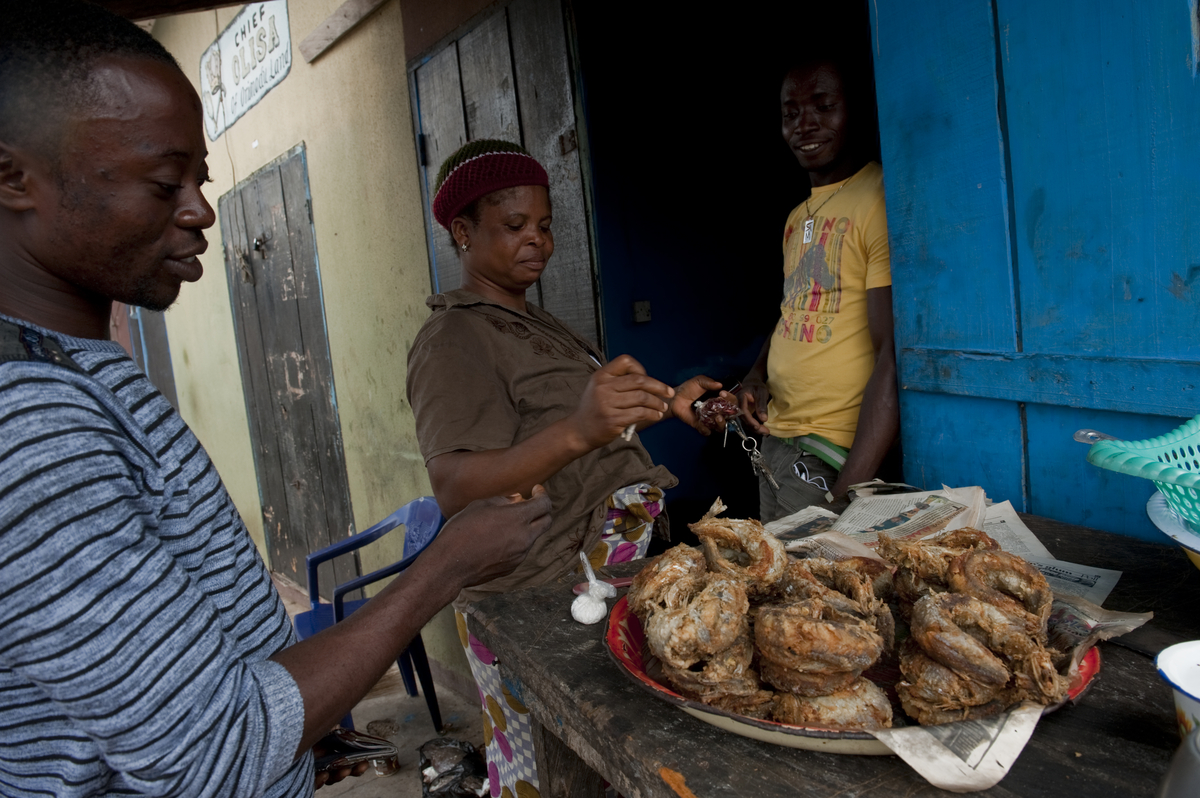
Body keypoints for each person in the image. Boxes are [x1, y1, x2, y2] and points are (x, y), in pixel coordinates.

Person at [0, 3, 551, 796]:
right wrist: (443, 566)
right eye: (164, 183)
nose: (199, 211)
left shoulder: (81, 366)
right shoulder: (28, 431)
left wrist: (306, 731)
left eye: (200, 179)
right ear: (13, 177)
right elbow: (218, 750)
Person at [406, 139, 722, 796]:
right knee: (537, 778)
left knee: (593, 770)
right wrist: (580, 426)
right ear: (462, 233)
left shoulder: (531, 323)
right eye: (514, 226)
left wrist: (669, 404)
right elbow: (455, 484)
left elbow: (584, 436)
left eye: (545, 225)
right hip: (532, 604)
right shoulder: (453, 339)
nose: (538, 242)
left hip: (588, 590)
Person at [738, 54, 900, 522]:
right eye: (791, 114)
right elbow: (797, 309)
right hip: (778, 442)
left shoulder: (878, 198)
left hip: (829, 454)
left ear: (856, 112)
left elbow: (891, 351)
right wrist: (755, 375)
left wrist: (849, 490)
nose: (804, 125)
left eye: (823, 106)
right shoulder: (796, 218)